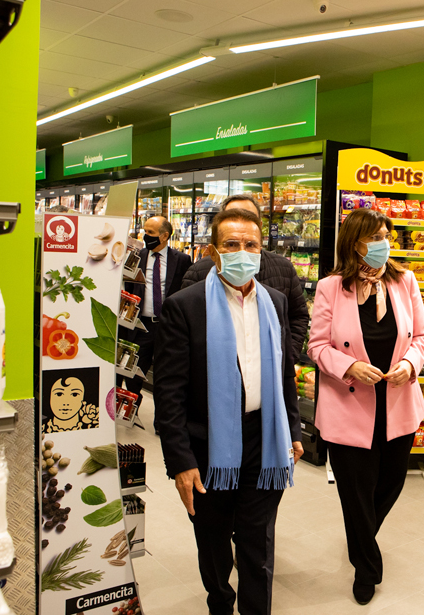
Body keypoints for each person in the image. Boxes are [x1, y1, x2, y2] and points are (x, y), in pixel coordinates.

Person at [155, 208, 304, 615]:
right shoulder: (185, 306)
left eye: (250, 245)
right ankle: (219, 602)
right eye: (231, 244)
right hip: (208, 445)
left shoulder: (274, 302)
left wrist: (292, 429)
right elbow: (169, 393)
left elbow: (283, 375)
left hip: (263, 440)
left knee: (257, 544)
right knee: (214, 540)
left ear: (261, 251)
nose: (242, 252)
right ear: (213, 252)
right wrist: (180, 461)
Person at [307, 208, 424, 605]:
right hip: (348, 407)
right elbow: (317, 346)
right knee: (355, 492)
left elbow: (421, 337)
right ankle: (366, 566)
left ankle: (361, 538)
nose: (383, 244)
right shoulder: (331, 287)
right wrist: (349, 366)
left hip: (397, 404)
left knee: (391, 483)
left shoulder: (404, 281)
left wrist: (409, 364)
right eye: (375, 238)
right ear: (354, 243)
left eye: (386, 236)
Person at [182, 195, 310, 362]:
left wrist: (286, 358)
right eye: (233, 217)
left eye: (249, 218)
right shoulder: (198, 272)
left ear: (260, 226)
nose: (241, 223)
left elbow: (297, 316)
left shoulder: (283, 268)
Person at [123, 216, 191, 396]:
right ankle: (132, 405)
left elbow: (185, 291)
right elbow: (128, 288)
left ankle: (161, 412)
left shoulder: (182, 260)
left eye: (150, 232)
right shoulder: (137, 256)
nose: (145, 236)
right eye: (145, 231)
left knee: (166, 376)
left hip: (167, 327)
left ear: (164, 236)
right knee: (134, 375)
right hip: (141, 327)